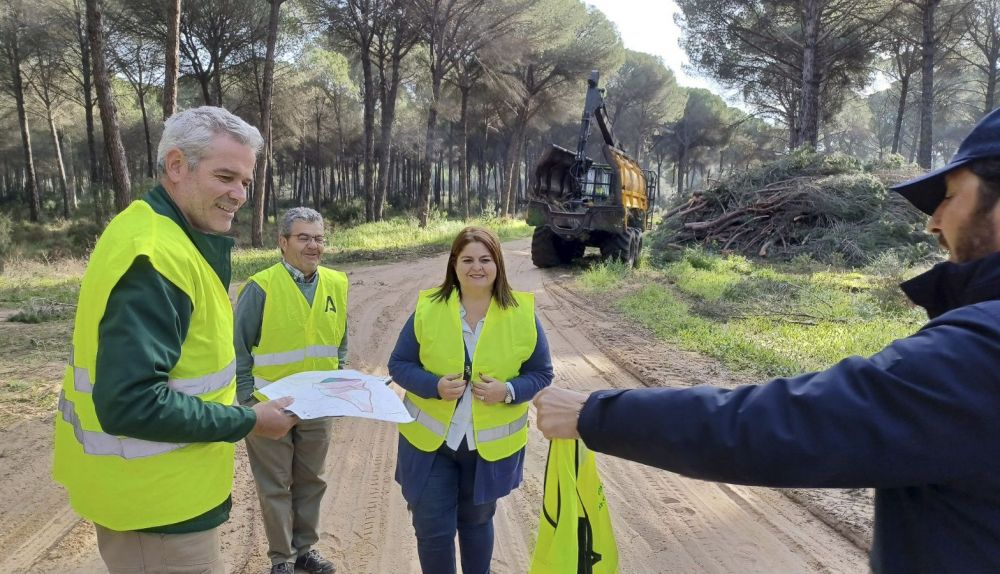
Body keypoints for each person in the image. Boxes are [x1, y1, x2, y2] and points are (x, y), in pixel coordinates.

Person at [533, 107, 1000, 574]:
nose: (934, 221)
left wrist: (597, 414)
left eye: (950, 195)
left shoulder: (983, 348)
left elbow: (796, 420)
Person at [52, 106, 299, 574]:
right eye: (225, 176)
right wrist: (247, 420)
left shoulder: (155, 230)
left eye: (245, 181)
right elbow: (132, 403)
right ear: (176, 165)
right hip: (158, 512)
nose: (239, 194)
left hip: (157, 500)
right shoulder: (157, 255)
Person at [388, 226, 554, 574]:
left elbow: (541, 373)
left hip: (486, 448)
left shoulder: (521, 313)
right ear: (454, 264)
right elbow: (399, 364)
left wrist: (507, 391)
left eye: (485, 259)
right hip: (431, 445)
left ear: (498, 264)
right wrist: (433, 385)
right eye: (467, 260)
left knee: (477, 523)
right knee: (432, 529)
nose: (476, 267)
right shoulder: (429, 308)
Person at [234, 207, 346, 574]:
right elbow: (238, 349)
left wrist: (337, 381)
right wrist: (248, 400)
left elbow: (340, 342)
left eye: (318, 238)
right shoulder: (260, 287)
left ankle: (305, 551)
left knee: (312, 480)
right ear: (283, 242)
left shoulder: (337, 283)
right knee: (275, 484)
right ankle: (281, 558)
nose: (313, 245)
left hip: (318, 403)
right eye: (303, 238)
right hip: (270, 404)